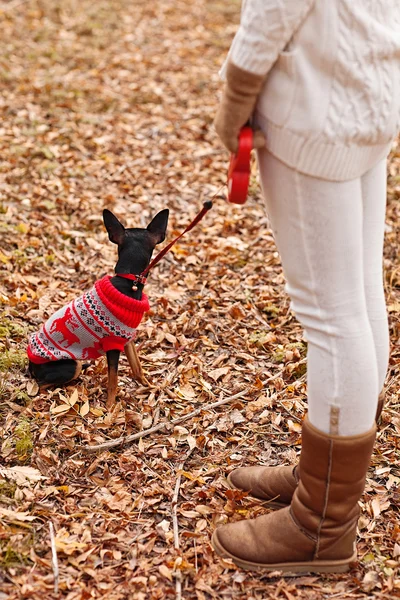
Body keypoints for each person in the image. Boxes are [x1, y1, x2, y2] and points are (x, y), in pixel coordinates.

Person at [212, 0, 400, 573]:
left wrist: (236, 93)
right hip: (369, 87)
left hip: (316, 100)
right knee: (360, 292)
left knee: (331, 314)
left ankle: (321, 524)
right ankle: (322, 476)